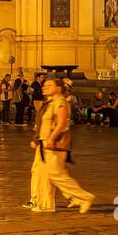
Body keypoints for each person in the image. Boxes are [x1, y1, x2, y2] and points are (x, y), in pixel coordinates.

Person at [29, 77, 93, 213]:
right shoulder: (49, 102)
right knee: (43, 174)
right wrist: (37, 139)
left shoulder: (60, 102)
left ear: (58, 88)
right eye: (44, 85)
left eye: (49, 85)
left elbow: (62, 123)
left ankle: (84, 197)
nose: (45, 87)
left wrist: (51, 138)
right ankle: (45, 205)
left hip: (54, 145)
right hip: (44, 143)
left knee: (56, 175)